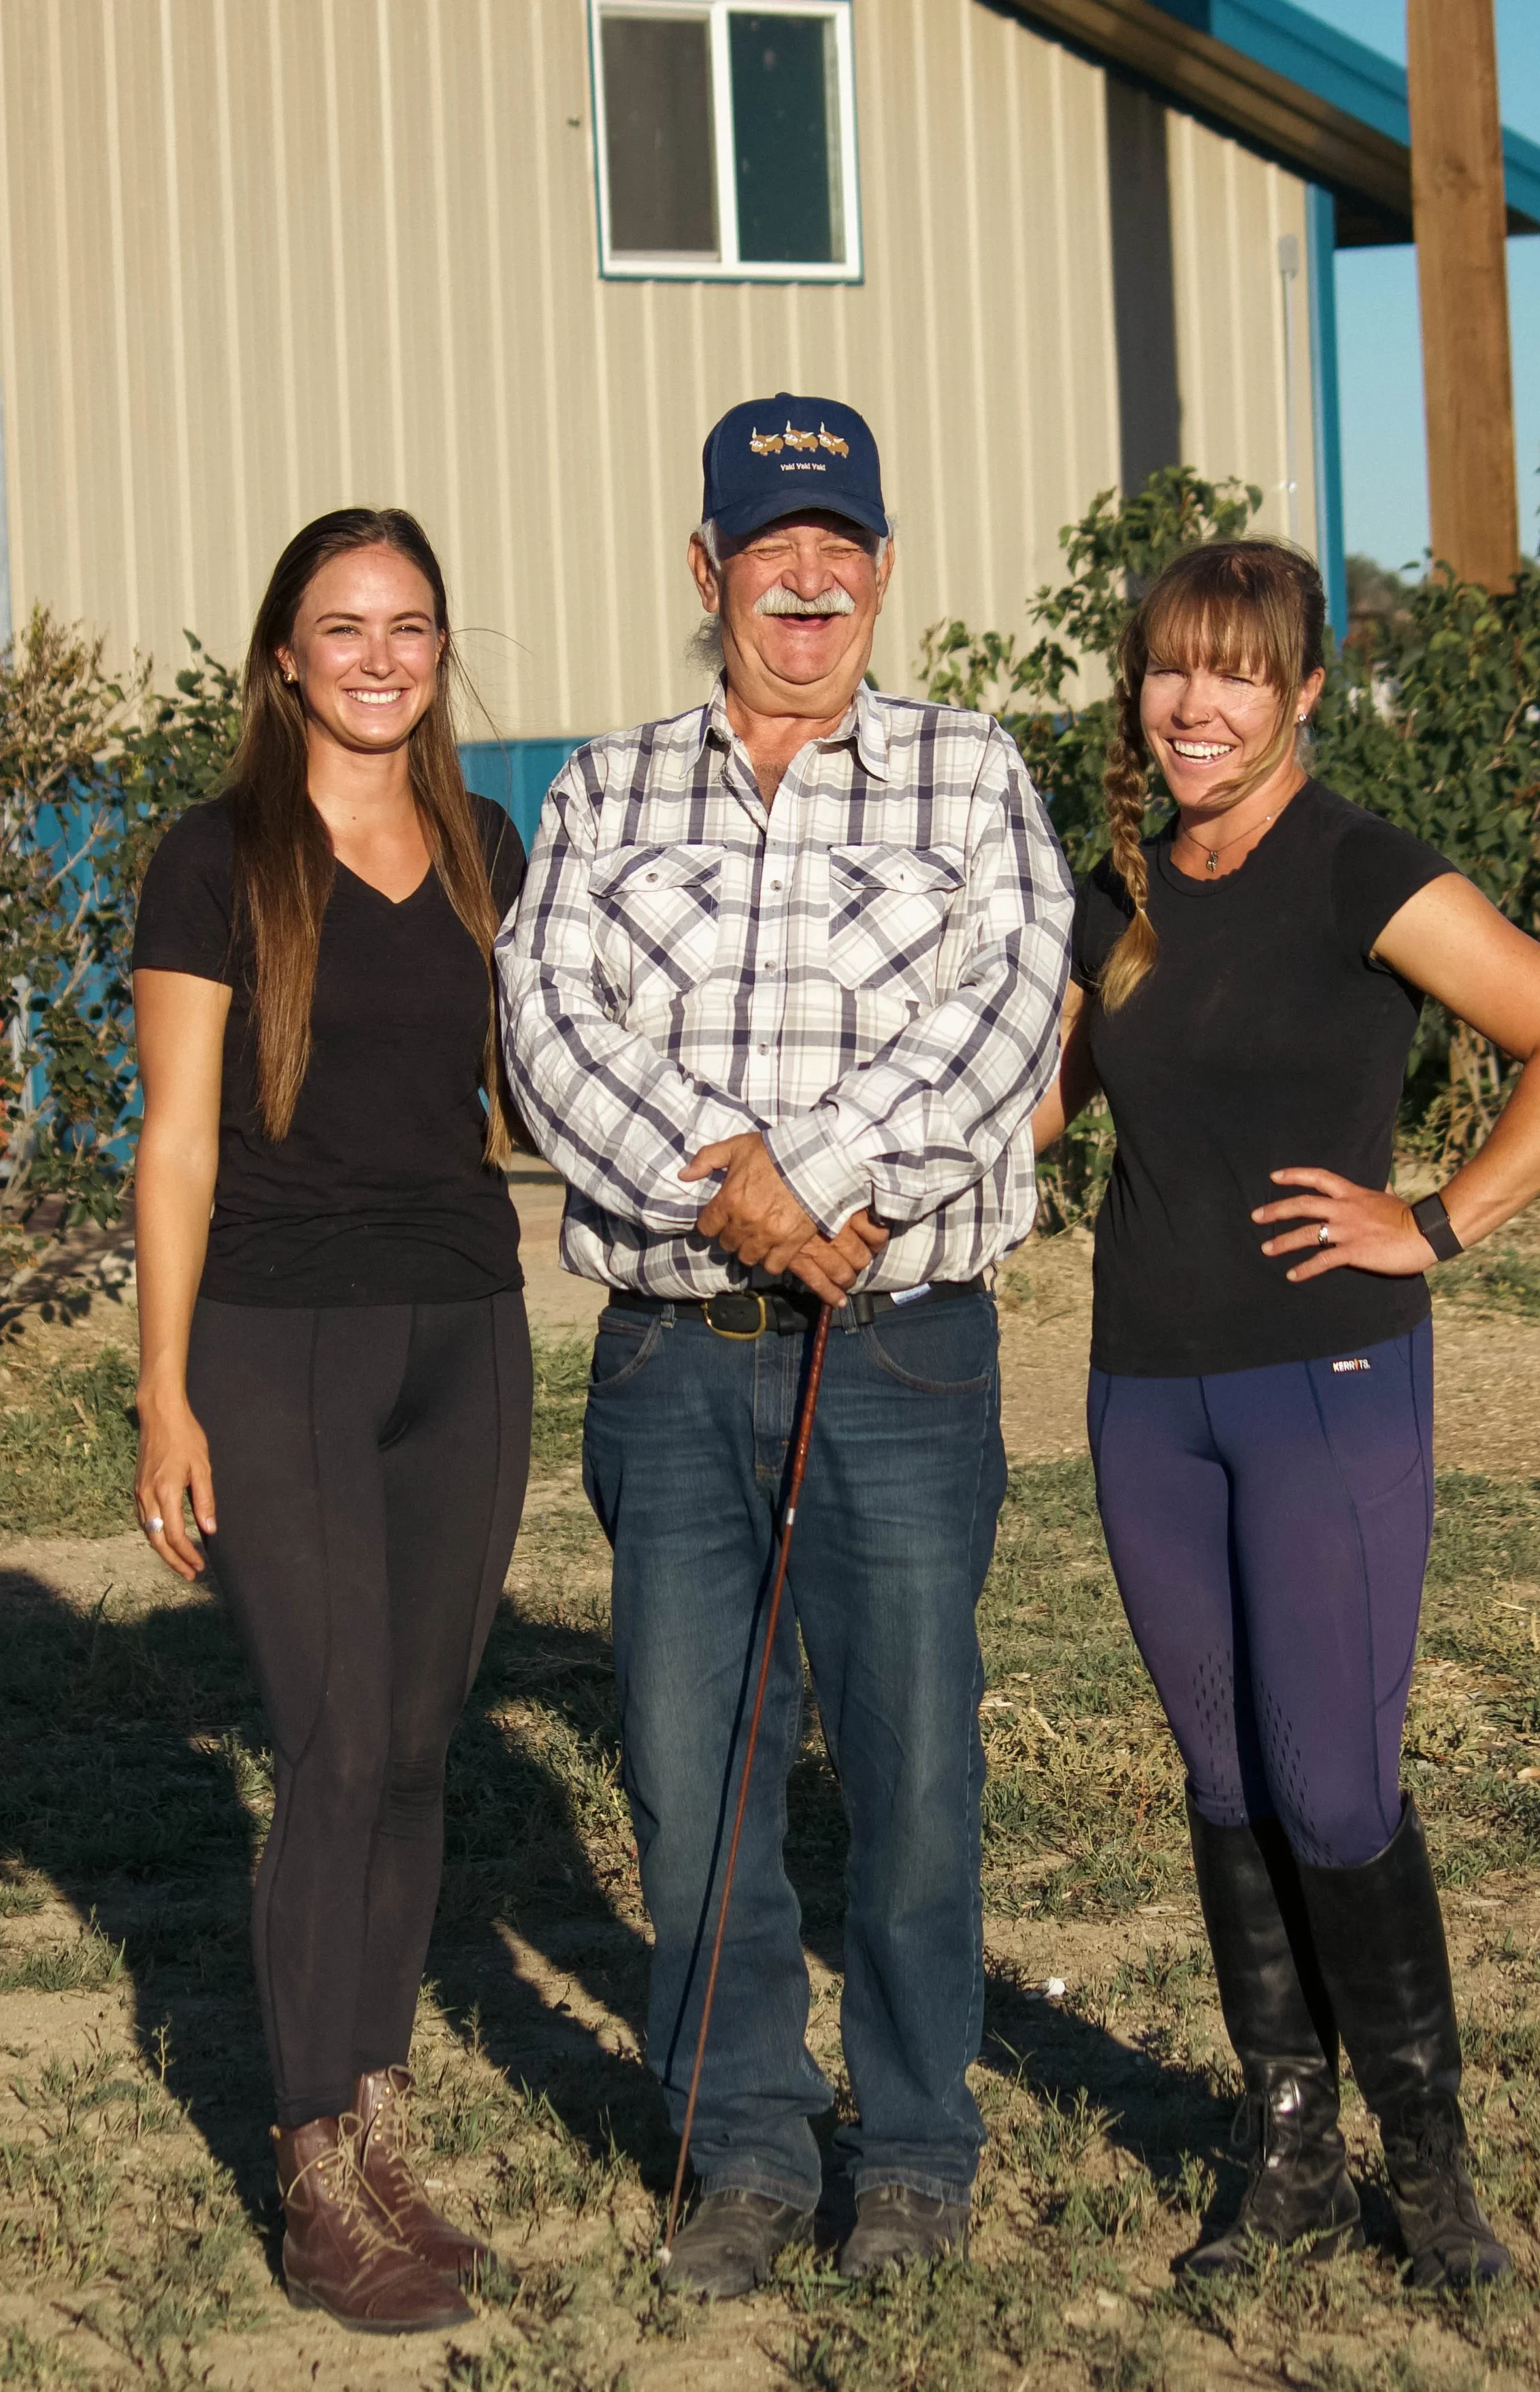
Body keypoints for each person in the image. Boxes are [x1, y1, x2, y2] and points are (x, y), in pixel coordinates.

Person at [499, 393, 1073, 2297]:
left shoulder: (970, 773)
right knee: (691, 1769)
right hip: (671, 1358)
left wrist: (808, 1175)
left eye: (837, 540)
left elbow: (1005, 1021)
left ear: (884, 568)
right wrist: (718, 1192)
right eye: (768, 542)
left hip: (901, 1347)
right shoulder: (605, 789)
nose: (804, 575)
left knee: (909, 1768)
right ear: (706, 570)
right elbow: (550, 1033)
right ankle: (739, 2144)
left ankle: (910, 2151)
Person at [1034, 539, 1540, 2291]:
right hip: (1146, 1389)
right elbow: (1040, 1107)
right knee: (1223, 1775)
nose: (1194, 705)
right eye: (1167, 669)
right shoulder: (1121, 884)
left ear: (1302, 690)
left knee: (1331, 1777)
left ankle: (1428, 2159)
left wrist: (1434, 1217)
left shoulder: (1353, 865)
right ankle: (1285, 2143)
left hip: (1328, 1378)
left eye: (1236, 673)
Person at [131, 508, 532, 2333]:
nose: (378, 655)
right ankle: (307, 2167)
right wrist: (158, 1391)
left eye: (410, 625)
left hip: (468, 1325)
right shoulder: (213, 860)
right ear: (282, 654)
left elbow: (538, 1095)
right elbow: (179, 1142)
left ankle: (374, 2118)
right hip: (278, 1341)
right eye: (341, 625)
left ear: (440, 653)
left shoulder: (485, 846)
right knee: (332, 1736)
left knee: (422, 1738)